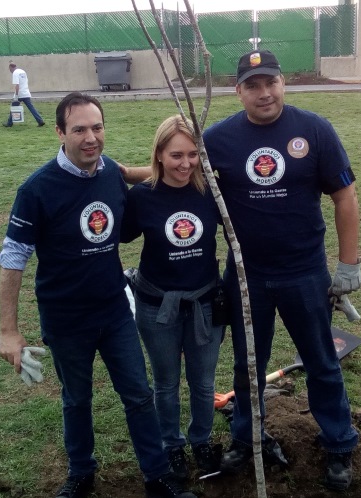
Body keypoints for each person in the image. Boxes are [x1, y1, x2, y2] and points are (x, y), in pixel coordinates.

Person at [0, 92, 196, 498]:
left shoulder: (110, 174)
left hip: (114, 310)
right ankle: (81, 473)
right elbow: (13, 255)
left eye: (97, 127)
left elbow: (147, 178)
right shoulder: (37, 189)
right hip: (66, 316)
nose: (91, 137)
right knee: (77, 399)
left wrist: (187, 173)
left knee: (139, 395)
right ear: (59, 133)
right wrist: (9, 331)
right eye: (79, 129)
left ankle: (157, 477)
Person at [201, 50, 361, 491]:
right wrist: (125, 174)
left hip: (305, 273)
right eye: (252, 85)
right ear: (238, 92)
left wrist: (348, 265)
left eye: (270, 81)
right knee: (247, 366)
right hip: (247, 277)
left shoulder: (314, 130)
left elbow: (345, 196)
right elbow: (176, 175)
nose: (264, 92)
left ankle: (339, 444)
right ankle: (246, 437)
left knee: (321, 362)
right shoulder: (216, 140)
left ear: (283, 83)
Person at [121, 115, 223, 481]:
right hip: (156, 306)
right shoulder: (143, 197)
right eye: (176, 155)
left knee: (204, 382)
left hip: (205, 304)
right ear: (160, 154)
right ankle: (172, 446)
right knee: (165, 383)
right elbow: (119, 236)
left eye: (193, 155)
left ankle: (202, 440)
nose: (185, 164)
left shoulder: (210, 191)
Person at [3, 61, 45, 127]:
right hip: (26, 92)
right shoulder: (22, 71)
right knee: (31, 108)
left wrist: (16, 96)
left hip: (20, 94)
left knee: (14, 108)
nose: (10, 71)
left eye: (10, 69)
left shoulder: (15, 73)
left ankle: (9, 123)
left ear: (11, 68)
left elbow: (17, 86)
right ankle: (40, 121)